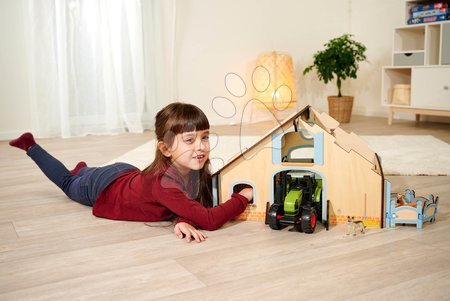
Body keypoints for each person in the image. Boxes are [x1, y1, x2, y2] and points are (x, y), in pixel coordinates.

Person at [9, 102, 253, 243]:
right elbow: (209, 221)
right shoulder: (164, 184)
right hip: (104, 187)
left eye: (205, 137)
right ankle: (30, 145)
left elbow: (191, 202)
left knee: (92, 173)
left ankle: (84, 169)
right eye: (190, 140)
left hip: (127, 173)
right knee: (68, 182)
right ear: (165, 149)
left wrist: (183, 218)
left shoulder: (189, 168)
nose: (200, 147)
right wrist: (243, 197)